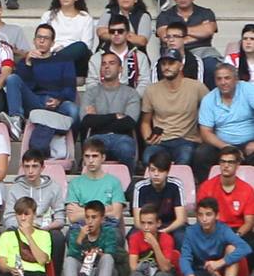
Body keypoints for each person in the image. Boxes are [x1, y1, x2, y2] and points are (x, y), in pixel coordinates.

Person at [141, 48, 214, 182]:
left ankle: (181, 191)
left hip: (186, 139)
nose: (166, 67)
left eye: (171, 63)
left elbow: (213, 110)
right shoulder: (151, 90)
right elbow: (146, 121)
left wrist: (204, 136)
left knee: (185, 157)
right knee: (147, 157)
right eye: (163, 63)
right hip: (161, 141)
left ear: (181, 65)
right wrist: (148, 139)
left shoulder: (196, 87)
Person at [14, 24, 80, 154]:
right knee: (12, 79)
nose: (42, 41)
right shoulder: (25, 62)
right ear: (34, 40)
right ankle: (15, 120)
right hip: (35, 102)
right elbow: (24, 88)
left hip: (58, 102)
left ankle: (71, 143)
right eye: (39, 37)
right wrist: (28, 64)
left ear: (52, 42)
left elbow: (70, 88)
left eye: (46, 38)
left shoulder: (64, 60)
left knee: (74, 110)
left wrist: (59, 100)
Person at [180, 196, 252, 276]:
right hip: (203, 271)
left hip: (223, 271)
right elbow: (185, 257)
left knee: (231, 248)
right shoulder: (190, 232)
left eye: (208, 214)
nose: (204, 219)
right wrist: (189, 275)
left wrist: (220, 262)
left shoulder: (223, 229)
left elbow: (245, 248)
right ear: (197, 216)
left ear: (217, 216)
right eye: (200, 215)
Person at [80, 52, 144, 172]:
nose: (106, 66)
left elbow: (129, 122)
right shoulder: (91, 93)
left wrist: (98, 119)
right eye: (103, 64)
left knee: (125, 149)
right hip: (96, 137)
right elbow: (86, 121)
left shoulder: (131, 93)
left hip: (122, 138)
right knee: (92, 151)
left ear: (120, 69)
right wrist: (115, 116)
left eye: (111, 63)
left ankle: (127, 186)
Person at [2, 149, 67, 265]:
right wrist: (26, 227)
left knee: (58, 238)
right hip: (21, 228)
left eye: (34, 166)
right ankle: (12, 273)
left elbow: (60, 219)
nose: (30, 171)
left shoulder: (54, 188)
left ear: (42, 168)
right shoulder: (15, 189)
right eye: (27, 167)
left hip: (45, 229)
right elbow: (8, 218)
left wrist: (45, 228)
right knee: (9, 233)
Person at [159, 0, 219, 78]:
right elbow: (165, 37)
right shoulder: (164, 15)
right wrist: (198, 32)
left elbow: (209, 30)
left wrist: (178, 35)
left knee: (214, 67)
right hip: (174, 56)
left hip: (203, 55)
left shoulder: (206, 13)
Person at [198, 146, 254, 252]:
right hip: (214, 229)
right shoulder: (206, 187)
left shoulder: (247, 189)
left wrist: (235, 237)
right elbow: (202, 216)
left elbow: (249, 222)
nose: (226, 165)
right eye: (223, 161)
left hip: (238, 231)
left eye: (230, 162)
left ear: (237, 165)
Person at [38, 0, 98, 79]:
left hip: (77, 61)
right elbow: (41, 40)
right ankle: (53, 67)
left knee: (80, 46)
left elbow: (86, 46)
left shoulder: (85, 18)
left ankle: (49, 68)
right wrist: (57, 50)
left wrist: (66, 51)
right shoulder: (48, 15)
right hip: (52, 54)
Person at [63, 201, 123, 276]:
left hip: (99, 272)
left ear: (102, 219)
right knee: (69, 260)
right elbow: (72, 254)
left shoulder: (109, 232)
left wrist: (98, 253)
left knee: (107, 258)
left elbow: (112, 255)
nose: (90, 221)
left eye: (94, 217)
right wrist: (80, 238)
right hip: (82, 273)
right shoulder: (77, 232)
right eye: (87, 217)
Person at [198, 64, 254, 161]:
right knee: (201, 154)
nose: (223, 82)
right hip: (222, 144)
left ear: (236, 79)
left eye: (227, 78)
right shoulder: (209, 99)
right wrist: (226, 147)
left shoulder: (249, 90)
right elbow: (205, 132)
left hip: (250, 142)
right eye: (219, 79)